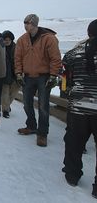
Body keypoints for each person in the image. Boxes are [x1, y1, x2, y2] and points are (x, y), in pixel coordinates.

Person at [61, 19, 97, 198]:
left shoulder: (73, 53)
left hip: (78, 108)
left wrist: (68, 94)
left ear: (88, 32)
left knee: (74, 143)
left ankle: (72, 175)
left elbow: (65, 78)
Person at [15, 14, 61, 147]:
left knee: (43, 106)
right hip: (28, 76)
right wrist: (18, 73)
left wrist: (53, 75)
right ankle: (31, 126)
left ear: (34, 24)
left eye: (27, 23)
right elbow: (18, 58)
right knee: (27, 104)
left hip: (44, 76)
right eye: (24, 23)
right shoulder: (22, 40)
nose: (25, 25)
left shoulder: (49, 39)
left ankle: (42, 133)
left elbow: (55, 58)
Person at [1, 30, 19, 118]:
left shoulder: (17, 48)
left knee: (13, 93)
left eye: (8, 39)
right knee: (5, 93)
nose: (7, 41)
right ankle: (5, 110)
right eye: (5, 39)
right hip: (4, 74)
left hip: (16, 74)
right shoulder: (0, 48)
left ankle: (7, 105)